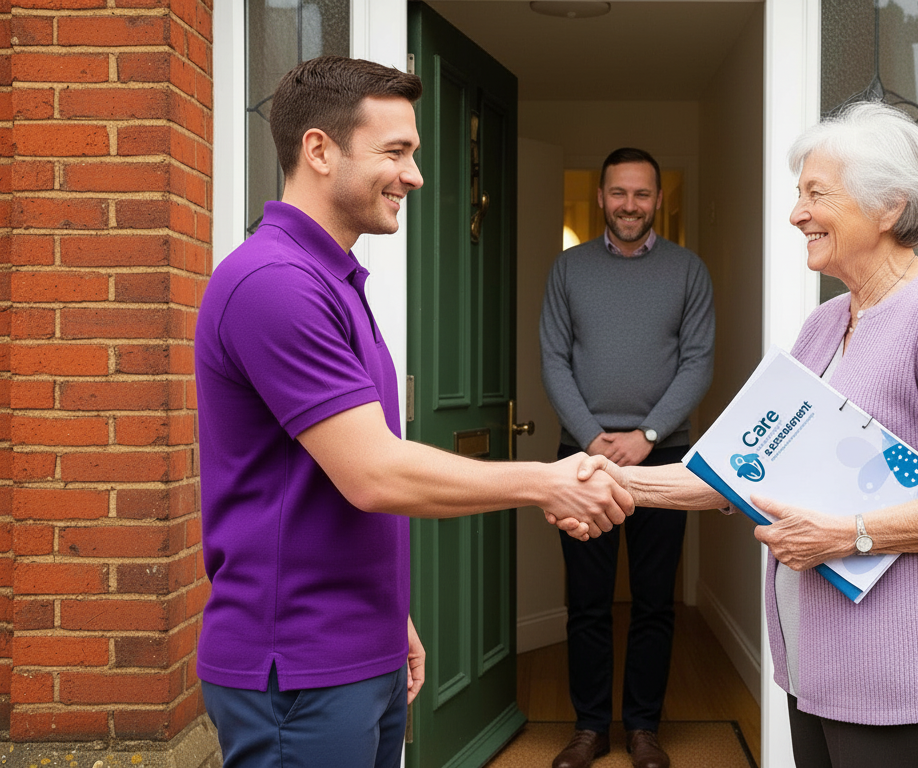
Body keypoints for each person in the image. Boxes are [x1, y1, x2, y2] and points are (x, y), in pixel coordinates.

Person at [194, 56, 632, 768]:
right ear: (318, 149)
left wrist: (388, 615)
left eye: (414, 154)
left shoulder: (331, 279)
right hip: (299, 669)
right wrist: (547, 481)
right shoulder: (275, 284)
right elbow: (374, 474)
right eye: (395, 152)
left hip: (357, 647)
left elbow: (328, 481)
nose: (416, 176)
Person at [586, 101, 918, 767]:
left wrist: (849, 535)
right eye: (799, 195)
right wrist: (606, 479)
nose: (796, 214)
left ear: (888, 206)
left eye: (815, 194)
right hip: (814, 675)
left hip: (899, 685)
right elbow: (741, 473)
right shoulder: (824, 325)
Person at [540, 148, 715, 768]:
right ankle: (590, 728)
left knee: (653, 600)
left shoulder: (689, 271)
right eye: (619, 193)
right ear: (601, 197)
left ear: (658, 200)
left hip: (664, 459)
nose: (630, 205)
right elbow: (555, 360)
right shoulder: (568, 270)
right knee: (587, 601)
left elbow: (698, 362)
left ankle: (643, 728)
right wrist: (593, 439)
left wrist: (646, 435)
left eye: (642, 194)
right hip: (581, 461)